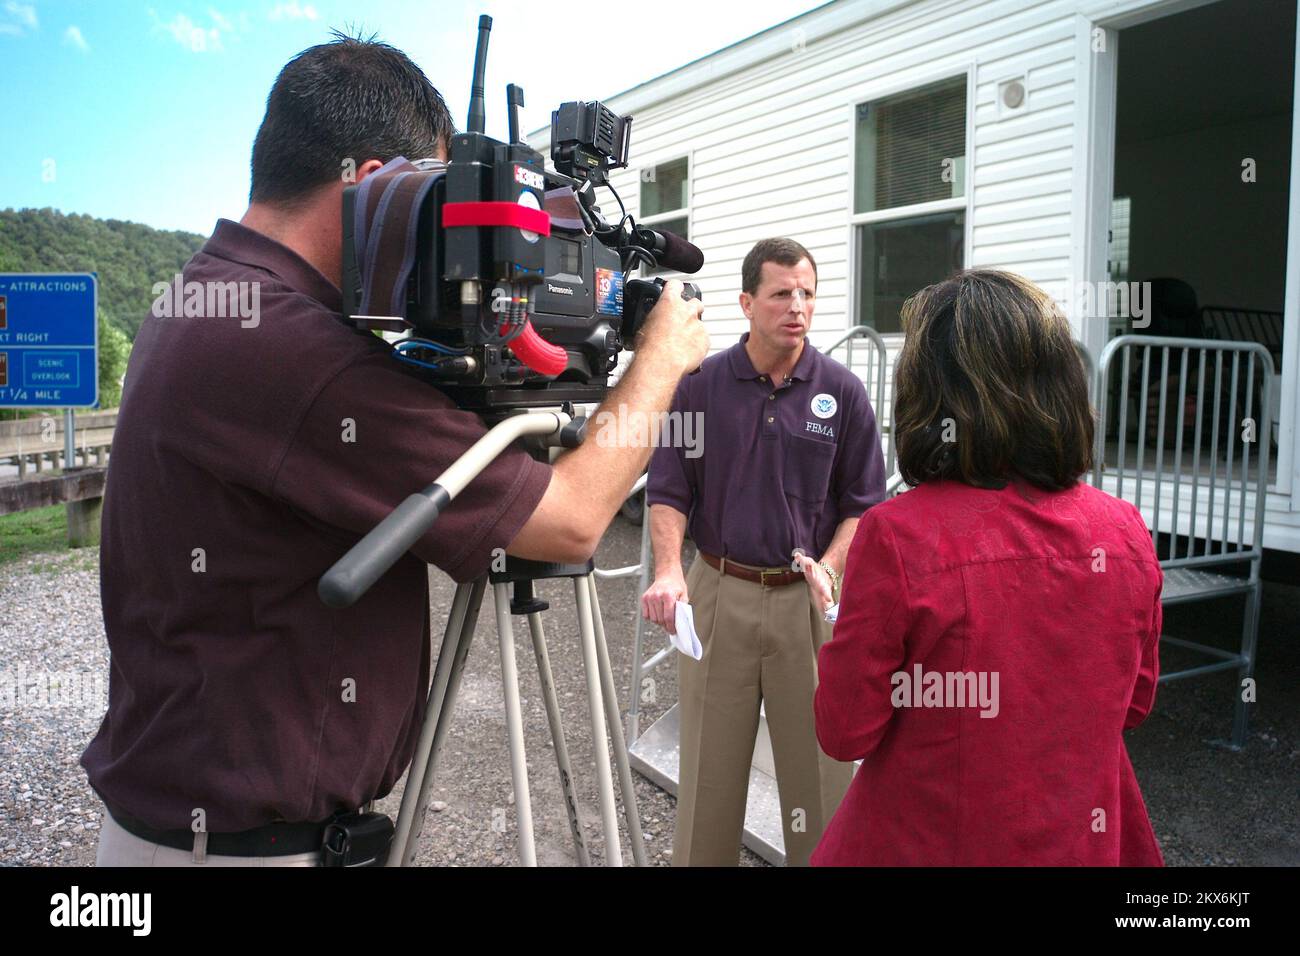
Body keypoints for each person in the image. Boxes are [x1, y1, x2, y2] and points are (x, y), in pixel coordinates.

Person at [81, 32, 708, 866]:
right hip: (248, 849)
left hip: (192, 828)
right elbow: (571, 522)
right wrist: (662, 359)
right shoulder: (289, 348)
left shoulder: (211, 295)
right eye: (436, 198)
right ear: (374, 187)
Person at [812, 269, 1164, 866]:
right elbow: (1132, 703)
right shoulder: (1124, 529)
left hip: (927, 842)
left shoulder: (902, 536)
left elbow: (846, 731)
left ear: (928, 395)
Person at [642, 237, 886, 866]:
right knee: (709, 774)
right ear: (748, 302)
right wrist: (669, 569)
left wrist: (830, 566)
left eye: (807, 293)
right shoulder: (700, 387)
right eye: (781, 293)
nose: (797, 306)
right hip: (719, 593)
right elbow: (668, 488)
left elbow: (864, 503)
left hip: (807, 602)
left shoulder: (844, 392)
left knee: (820, 775)